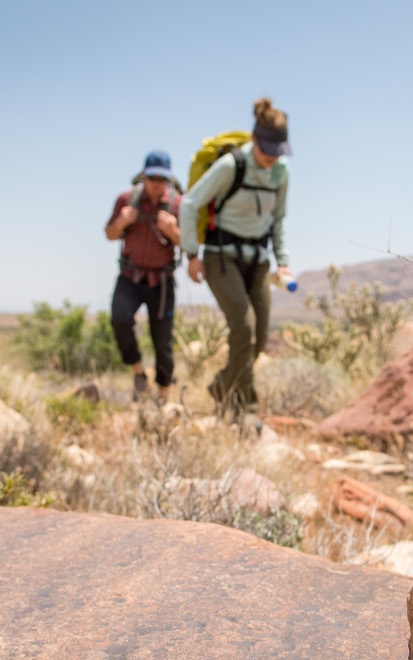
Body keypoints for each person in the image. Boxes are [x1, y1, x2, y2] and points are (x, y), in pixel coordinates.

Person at [180, 97, 294, 419]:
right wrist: (191, 254)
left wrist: (282, 259)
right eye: (266, 150)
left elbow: (278, 219)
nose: (271, 158)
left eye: (277, 151)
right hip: (221, 258)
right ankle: (247, 412)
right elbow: (189, 205)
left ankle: (221, 387)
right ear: (254, 139)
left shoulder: (281, 172)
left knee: (257, 339)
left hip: (258, 261)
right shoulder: (232, 165)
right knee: (242, 327)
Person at [104, 150, 182, 402]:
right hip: (130, 276)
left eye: (162, 180)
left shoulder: (178, 205)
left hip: (161, 281)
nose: (157, 185)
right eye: (152, 178)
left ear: (168, 181)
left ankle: (164, 396)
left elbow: (189, 243)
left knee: (162, 340)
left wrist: (173, 231)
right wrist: (122, 222)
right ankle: (138, 371)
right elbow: (109, 234)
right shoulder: (126, 200)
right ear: (143, 177)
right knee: (119, 319)